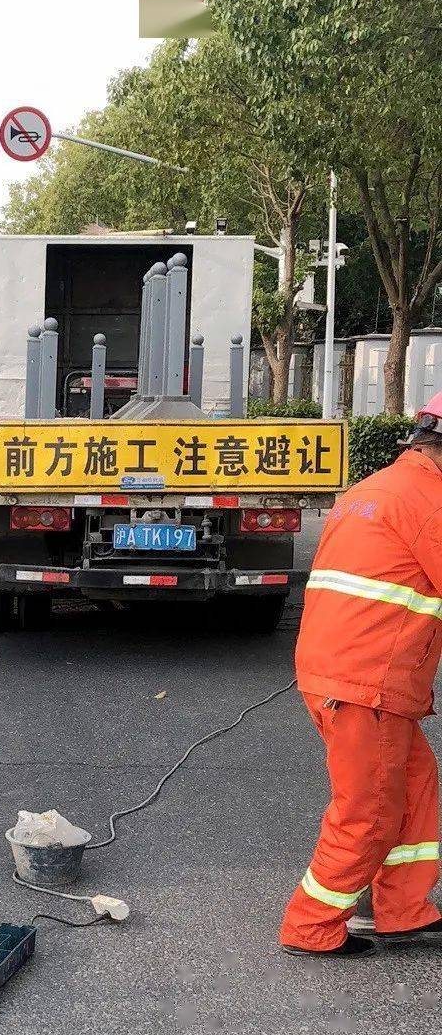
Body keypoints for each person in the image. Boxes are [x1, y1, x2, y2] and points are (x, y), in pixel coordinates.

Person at [280, 392, 442, 958]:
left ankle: (403, 909)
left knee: (415, 783)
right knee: (369, 808)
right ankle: (311, 925)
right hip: (366, 680)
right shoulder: (428, 502)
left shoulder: (378, 489)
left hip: (346, 671)